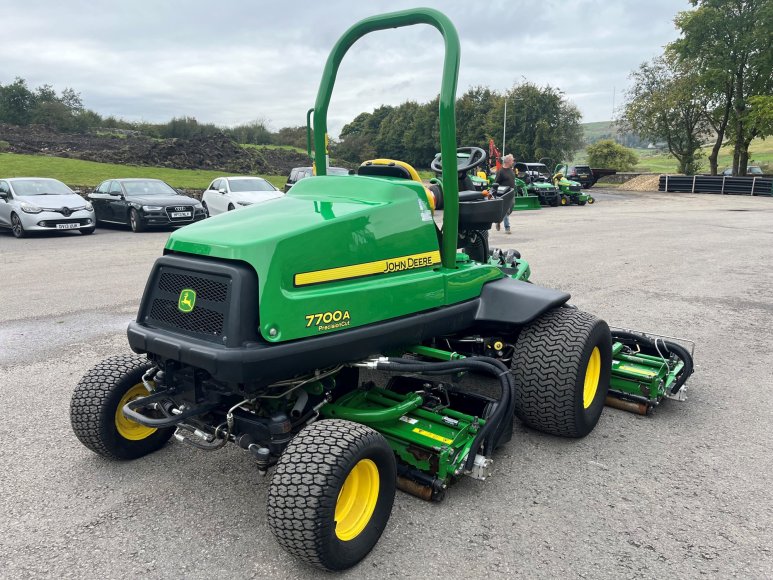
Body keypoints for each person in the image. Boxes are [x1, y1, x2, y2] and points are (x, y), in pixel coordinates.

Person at [494, 154, 516, 234]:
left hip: (512, 192)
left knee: (510, 208)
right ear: (508, 161)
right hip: (504, 193)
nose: (513, 161)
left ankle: (499, 220)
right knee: (506, 210)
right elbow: (496, 183)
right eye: (512, 160)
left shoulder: (511, 170)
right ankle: (507, 227)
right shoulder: (500, 171)